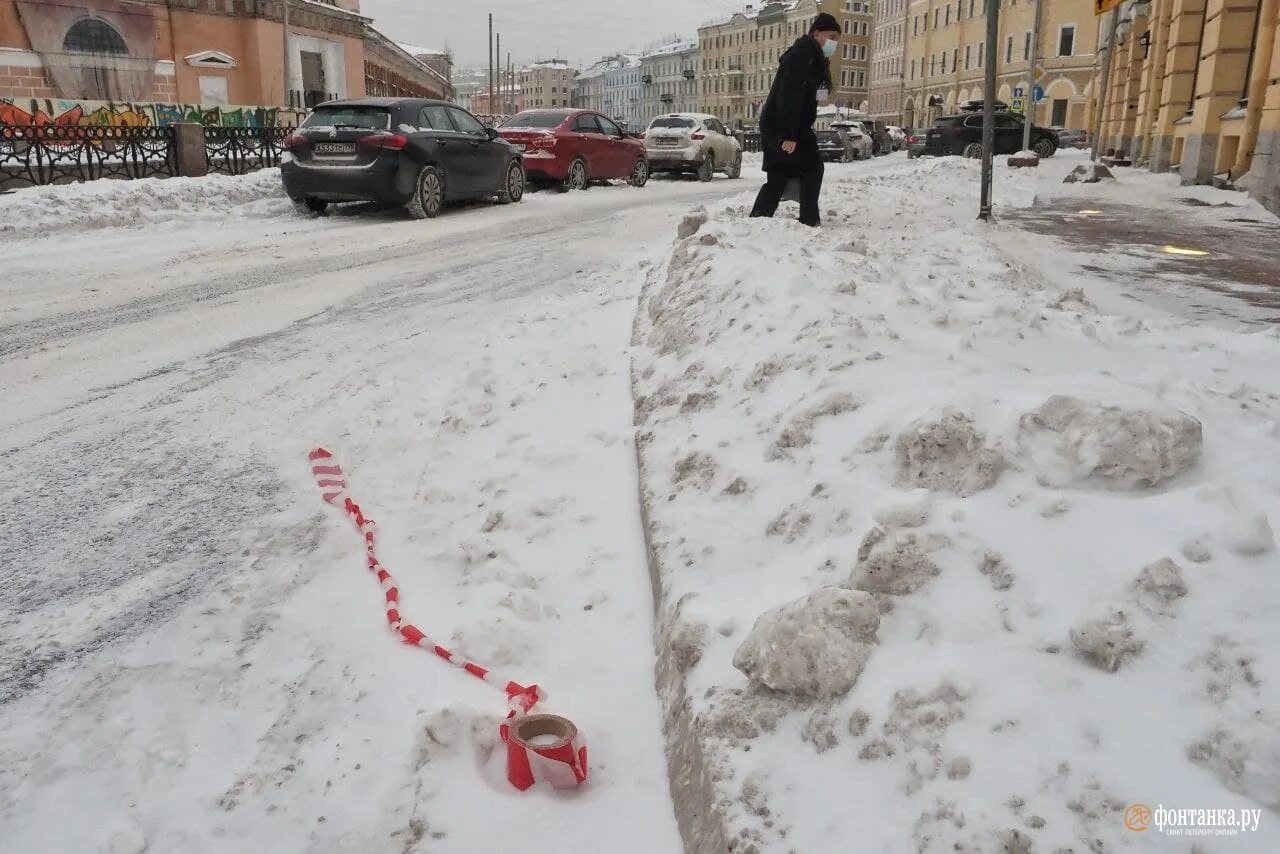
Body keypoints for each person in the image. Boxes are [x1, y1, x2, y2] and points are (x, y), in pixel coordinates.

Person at [749, 13, 842, 228]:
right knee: (812, 167)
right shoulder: (801, 57)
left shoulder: (815, 58)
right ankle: (808, 220)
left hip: (788, 124)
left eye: (837, 39)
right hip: (783, 126)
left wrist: (822, 90)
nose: (834, 43)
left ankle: (758, 220)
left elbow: (813, 95)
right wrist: (789, 135)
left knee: (779, 174)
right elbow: (789, 96)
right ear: (816, 33)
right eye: (832, 37)